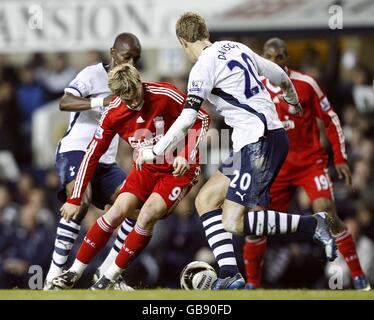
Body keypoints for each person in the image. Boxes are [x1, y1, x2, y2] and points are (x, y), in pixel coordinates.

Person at [136, 12, 337, 289]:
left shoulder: (202, 67)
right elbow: (278, 74)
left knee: (233, 221)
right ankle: (230, 273)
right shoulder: (235, 47)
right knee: (205, 200)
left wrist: (154, 151)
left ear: (183, 41)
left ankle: (313, 225)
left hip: (260, 141)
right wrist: (291, 97)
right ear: (205, 32)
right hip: (258, 139)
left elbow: (186, 118)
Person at [51, 63, 210, 289]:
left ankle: (110, 276)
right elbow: (91, 155)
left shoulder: (164, 94)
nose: (134, 102)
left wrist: (186, 154)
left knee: (146, 214)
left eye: (135, 94)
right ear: (116, 95)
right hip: (145, 167)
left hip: (177, 170)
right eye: (126, 99)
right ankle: (74, 272)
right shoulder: (113, 113)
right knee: (116, 210)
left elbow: (201, 118)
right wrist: (75, 197)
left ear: (139, 82)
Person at [242, 38, 370, 290]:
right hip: (275, 168)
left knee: (326, 211)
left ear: (287, 59)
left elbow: (331, 119)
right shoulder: (255, 89)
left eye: (280, 57)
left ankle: (358, 276)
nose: (274, 62)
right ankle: (252, 286)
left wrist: (340, 157)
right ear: (263, 60)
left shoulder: (306, 84)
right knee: (257, 223)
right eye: (269, 57)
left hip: (309, 163)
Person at [43, 33, 141, 289]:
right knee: (80, 200)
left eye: (135, 59)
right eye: (126, 56)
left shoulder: (133, 84)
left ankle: (108, 273)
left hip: (105, 160)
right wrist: (100, 101)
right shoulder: (92, 74)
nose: (130, 63)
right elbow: (64, 103)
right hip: (76, 149)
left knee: (136, 206)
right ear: (112, 52)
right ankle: (53, 277)